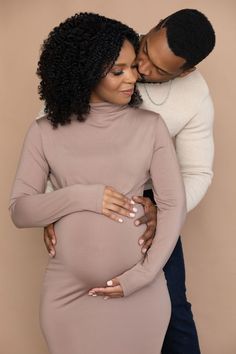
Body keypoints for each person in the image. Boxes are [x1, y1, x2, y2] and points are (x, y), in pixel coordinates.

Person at [9, 13, 186, 354]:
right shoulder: (45, 132)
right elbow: (21, 210)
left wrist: (142, 276)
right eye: (117, 71)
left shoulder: (151, 126)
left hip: (141, 294)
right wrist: (82, 196)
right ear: (84, 72)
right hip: (67, 297)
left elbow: (173, 205)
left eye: (133, 66)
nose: (132, 78)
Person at [43, 9, 215, 354]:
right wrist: (52, 206)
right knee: (84, 305)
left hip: (146, 200)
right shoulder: (111, 50)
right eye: (146, 51)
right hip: (82, 190)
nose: (142, 69)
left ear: (186, 72)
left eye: (160, 70)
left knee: (172, 307)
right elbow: (52, 128)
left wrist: (163, 215)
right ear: (152, 28)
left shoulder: (195, 93)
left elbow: (197, 172)